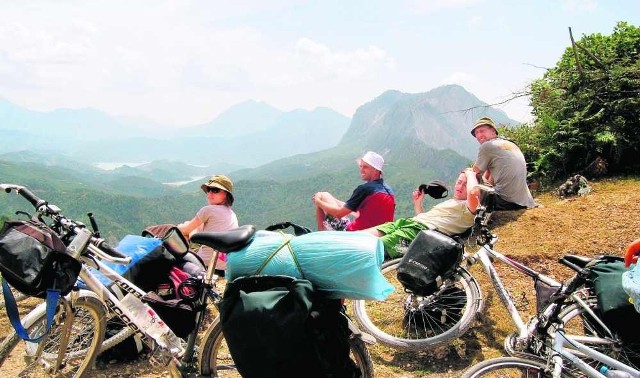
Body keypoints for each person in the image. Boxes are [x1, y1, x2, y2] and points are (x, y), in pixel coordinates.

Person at [362, 169, 480, 259]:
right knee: (358, 236)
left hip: (418, 233)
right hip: (408, 223)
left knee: (369, 247)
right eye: (459, 182)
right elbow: (426, 219)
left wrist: (470, 173)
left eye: (465, 184)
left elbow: (474, 193)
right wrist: (418, 203)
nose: (460, 186)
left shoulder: (468, 208)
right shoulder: (453, 202)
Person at [312, 151, 395, 231]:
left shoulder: (364, 189)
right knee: (326, 195)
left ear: (376, 170)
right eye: (361, 166)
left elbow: (338, 214)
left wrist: (318, 202)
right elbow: (352, 207)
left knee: (321, 196)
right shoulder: (388, 191)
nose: (361, 170)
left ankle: (321, 235)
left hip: (355, 234)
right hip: (377, 233)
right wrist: (334, 200)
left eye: (365, 167)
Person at [470, 117, 536, 210]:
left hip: (506, 201)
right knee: (488, 170)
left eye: (482, 131)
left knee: (468, 174)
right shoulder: (509, 143)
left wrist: (469, 173)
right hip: (524, 201)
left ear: (493, 131)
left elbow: (475, 172)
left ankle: (468, 209)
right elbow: (492, 172)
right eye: (476, 133)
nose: (479, 135)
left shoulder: (487, 146)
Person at [178, 175, 239, 270]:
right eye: (208, 190)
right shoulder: (231, 213)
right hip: (225, 265)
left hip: (206, 263)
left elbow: (184, 231)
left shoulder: (208, 210)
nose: (209, 194)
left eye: (215, 190)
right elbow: (197, 229)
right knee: (191, 227)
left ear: (226, 194)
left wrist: (181, 226)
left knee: (180, 231)